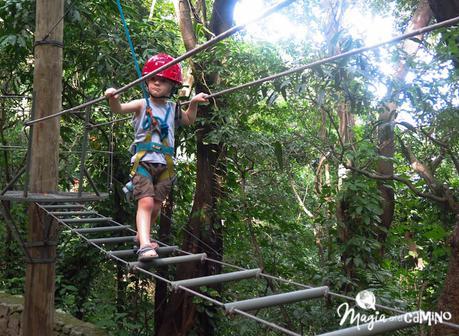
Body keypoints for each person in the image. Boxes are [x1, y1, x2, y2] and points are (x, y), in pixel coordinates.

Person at [105, 53, 208, 261]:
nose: (156, 83)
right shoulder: (142, 104)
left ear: (172, 85)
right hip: (143, 162)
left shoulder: (172, 108)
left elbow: (188, 120)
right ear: (146, 80)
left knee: (157, 205)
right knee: (146, 203)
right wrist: (112, 98)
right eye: (153, 78)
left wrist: (194, 102)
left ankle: (142, 236)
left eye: (162, 80)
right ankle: (144, 245)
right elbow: (119, 109)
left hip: (165, 165)